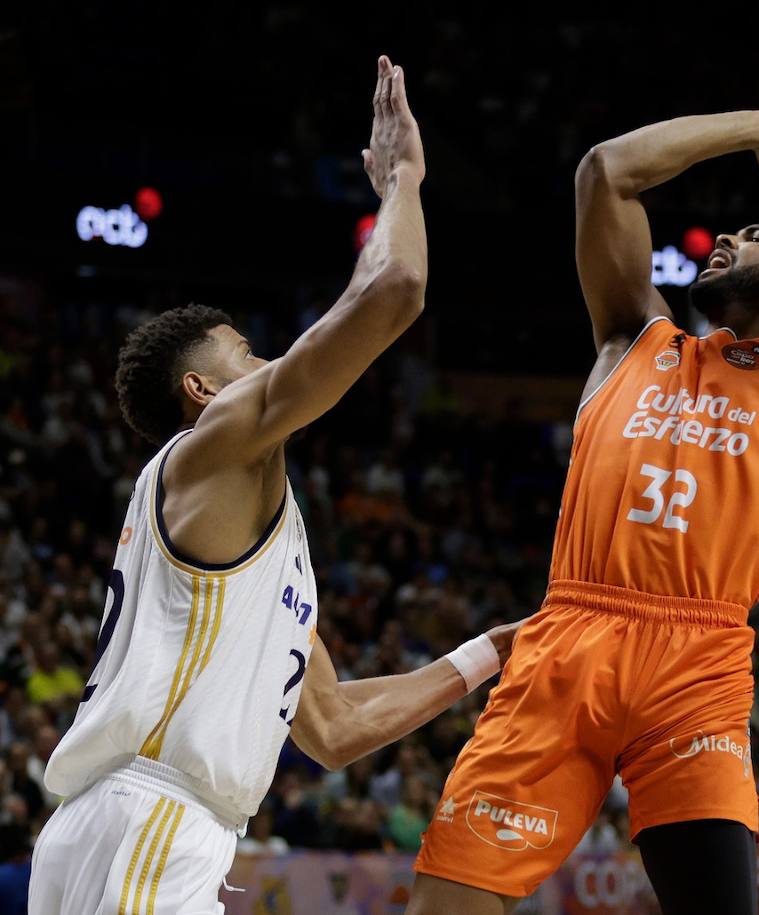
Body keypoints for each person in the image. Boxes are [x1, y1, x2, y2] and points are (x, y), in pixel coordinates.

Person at [406, 72, 759, 915]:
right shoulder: (629, 340)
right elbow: (606, 172)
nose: (726, 237)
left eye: (754, 235)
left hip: (697, 661)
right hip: (568, 637)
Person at [29, 56, 520, 915]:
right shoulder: (212, 447)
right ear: (204, 392)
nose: (269, 368)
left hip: (118, 824)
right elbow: (395, 289)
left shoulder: (248, 564)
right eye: (249, 357)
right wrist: (403, 178)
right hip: (154, 821)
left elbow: (331, 727)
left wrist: (488, 654)